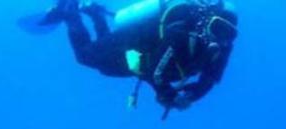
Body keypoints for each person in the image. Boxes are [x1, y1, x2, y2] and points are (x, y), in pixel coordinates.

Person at [38, 0, 238, 118]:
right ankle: (70, 14)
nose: (219, 38)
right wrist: (168, 96)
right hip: (132, 44)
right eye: (217, 27)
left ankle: (95, 13)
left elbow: (208, 81)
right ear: (206, 23)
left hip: (139, 59)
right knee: (85, 56)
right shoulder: (181, 34)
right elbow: (155, 72)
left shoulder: (223, 47)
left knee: (105, 68)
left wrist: (188, 97)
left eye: (228, 33)